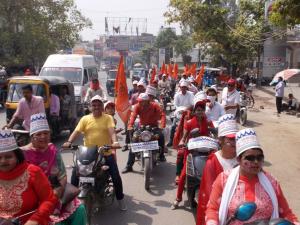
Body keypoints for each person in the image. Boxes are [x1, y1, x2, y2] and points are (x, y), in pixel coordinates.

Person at [205, 128, 299, 225]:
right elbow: (212, 209)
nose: (256, 162)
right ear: (238, 159)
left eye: (259, 157)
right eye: (250, 158)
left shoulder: (271, 182)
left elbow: (286, 212)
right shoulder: (223, 179)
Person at [62, 95, 127, 211]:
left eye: (99, 105)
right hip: (87, 154)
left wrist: (115, 141)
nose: (96, 107)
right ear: (90, 107)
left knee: (116, 177)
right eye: (94, 105)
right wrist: (69, 141)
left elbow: (112, 132)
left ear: (102, 107)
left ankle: (120, 199)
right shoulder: (85, 119)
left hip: (104, 153)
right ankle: (70, 203)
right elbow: (76, 132)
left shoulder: (108, 118)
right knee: (75, 176)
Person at [21, 113, 87, 225]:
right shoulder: (22, 154)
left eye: (46, 133)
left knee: (80, 209)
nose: (43, 137)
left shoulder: (52, 149)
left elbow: (62, 176)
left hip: (55, 193)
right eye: (39, 134)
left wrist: (54, 197)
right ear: (32, 136)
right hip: (32, 198)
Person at [0, 129, 57, 225]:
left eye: (8, 157)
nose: (3, 161)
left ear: (17, 157)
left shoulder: (32, 171)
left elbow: (49, 199)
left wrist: (35, 220)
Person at [171, 92, 214, 209]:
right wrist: (182, 142)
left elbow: (212, 133)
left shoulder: (207, 122)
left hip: (206, 153)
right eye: (198, 110)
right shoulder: (189, 123)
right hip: (191, 153)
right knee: (183, 175)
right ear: (194, 111)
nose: (200, 112)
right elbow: (184, 136)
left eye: (202, 110)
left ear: (204, 111)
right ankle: (178, 199)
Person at [196, 114, 239, 225]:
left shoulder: (244, 159)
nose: (235, 143)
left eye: (236, 139)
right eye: (231, 139)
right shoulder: (212, 162)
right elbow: (211, 195)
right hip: (223, 213)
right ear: (220, 140)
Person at [122, 93, 167, 173]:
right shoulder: (137, 106)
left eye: (142, 101)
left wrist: (162, 125)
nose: (140, 103)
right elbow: (133, 116)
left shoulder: (155, 105)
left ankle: (161, 155)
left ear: (147, 101)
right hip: (142, 127)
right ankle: (129, 166)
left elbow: (162, 114)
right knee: (134, 141)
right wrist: (130, 125)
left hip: (154, 127)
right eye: (139, 101)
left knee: (161, 136)